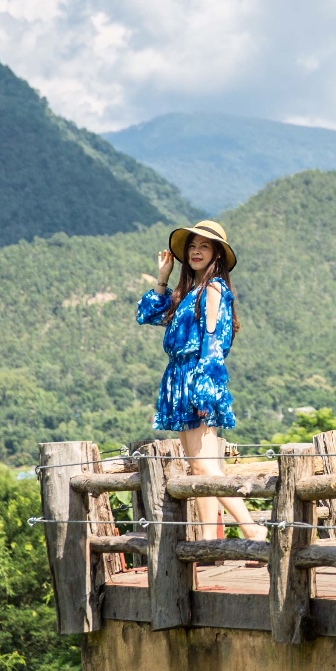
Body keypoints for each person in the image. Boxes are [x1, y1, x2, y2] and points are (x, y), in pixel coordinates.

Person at [136, 219, 265, 543]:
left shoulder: (212, 289)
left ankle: (250, 528)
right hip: (180, 379)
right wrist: (163, 278)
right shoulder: (188, 292)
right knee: (200, 468)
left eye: (204, 246)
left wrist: (204, 391)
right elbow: (148, 314)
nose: (196, 251)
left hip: (195, 379)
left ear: (216, 254)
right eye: (192, 246)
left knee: (206, 467)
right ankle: (209, 540)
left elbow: (212, 343)